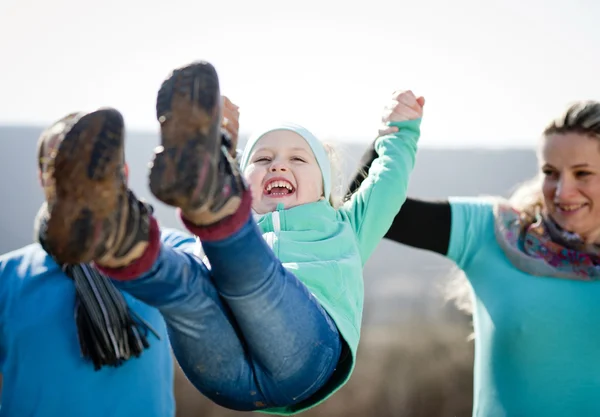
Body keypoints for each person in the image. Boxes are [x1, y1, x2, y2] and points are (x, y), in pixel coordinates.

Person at [39, 60, 424, 414]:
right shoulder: (226, 230)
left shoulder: (345, 225)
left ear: (324, 188)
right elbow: (174, 254)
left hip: (305, 355)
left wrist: (401, 130)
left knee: (248, 271)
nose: (278, 164)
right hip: (225, 376)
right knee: (185, 283)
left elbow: (387, 181)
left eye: (298, 159)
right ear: (244, 180)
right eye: (262, 159)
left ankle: (212, 181)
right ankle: (117, 232)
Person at [348, 99, 600, 416]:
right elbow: (369, 206)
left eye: (583, 174)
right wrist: (395, 132)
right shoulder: (493, 233)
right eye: (551, 172)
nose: (563, 191)